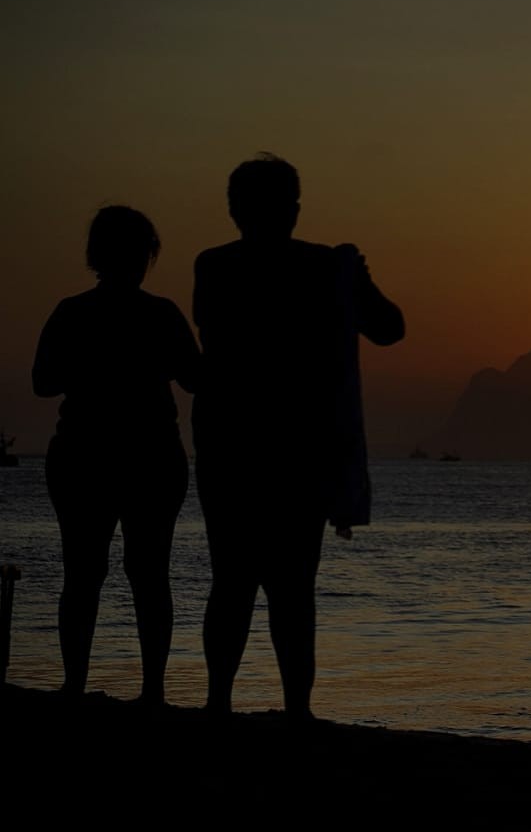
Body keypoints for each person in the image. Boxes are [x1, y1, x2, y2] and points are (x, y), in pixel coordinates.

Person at [193, 154, 404, 718]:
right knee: (289, 586)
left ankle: (221, 704)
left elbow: (389, 330)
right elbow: (389, 328)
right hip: (293, 447)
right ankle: (293, 710)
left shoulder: (214, 266)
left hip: (233, 446)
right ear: (293, 208)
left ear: (234, 209)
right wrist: (353, 276)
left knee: (234, 580)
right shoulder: (320, 269)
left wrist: (351, 276)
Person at [32, 206, 200, 704]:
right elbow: (197, 378)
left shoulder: (71, 311)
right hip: (148, 457)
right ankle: (151, 692)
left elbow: (43, 382)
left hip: (84, 455)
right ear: (145, 255)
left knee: (83, 574)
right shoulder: (162, 314)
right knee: (149, 574)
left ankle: (75, 686)